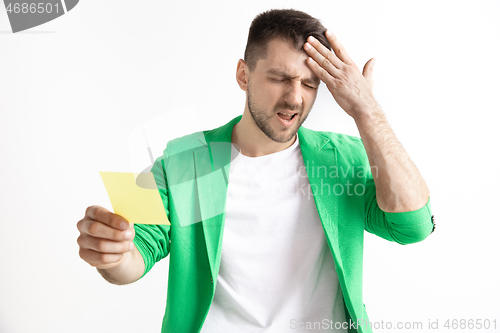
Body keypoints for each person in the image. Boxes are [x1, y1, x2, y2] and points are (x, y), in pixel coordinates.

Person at [77, 9, 434, 333]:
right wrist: (112, 253)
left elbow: (413, 226)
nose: (296, 98)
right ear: (243, 74)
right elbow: (135, 253)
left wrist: (367, 111)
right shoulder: (182, 158)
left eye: (310, 84)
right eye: (280, 78)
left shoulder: (342, 159)